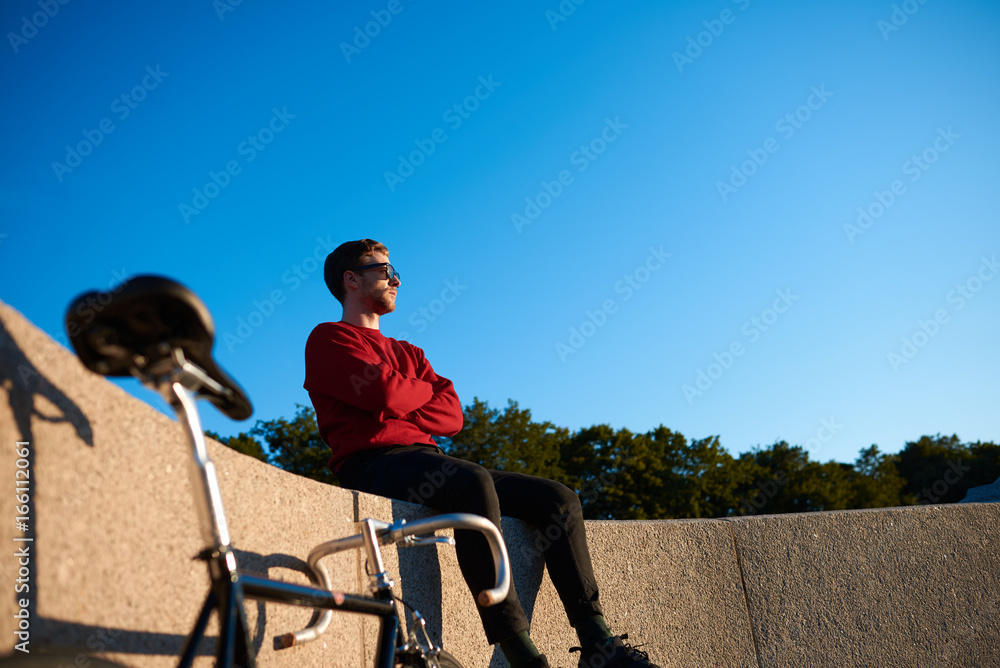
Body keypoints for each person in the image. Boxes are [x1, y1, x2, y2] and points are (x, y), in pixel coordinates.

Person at [303, 239, 659, 668]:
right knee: (471, 481)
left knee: (557, 498)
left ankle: (598, 643)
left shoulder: (410, 352)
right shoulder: (329, 338)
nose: (396, 279)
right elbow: (384, 392)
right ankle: (520, 652)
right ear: (351, 278)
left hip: (428, 460)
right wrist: (412, 395)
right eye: (385, 269)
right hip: (373, 464)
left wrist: (400, 394)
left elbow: (452, 415)